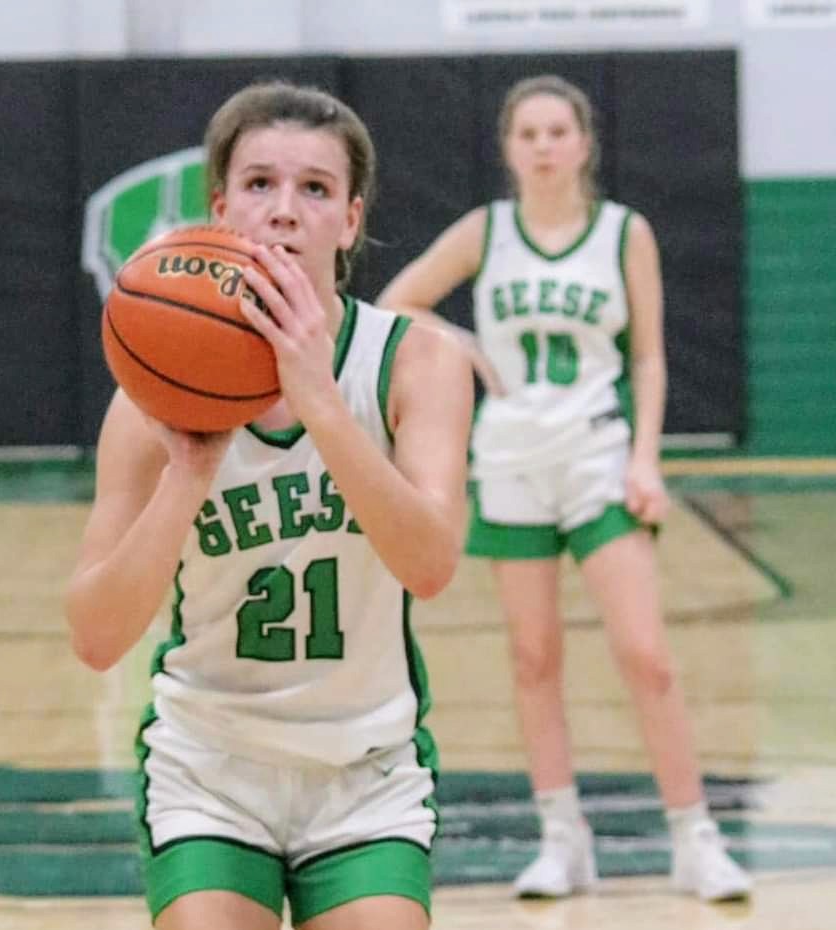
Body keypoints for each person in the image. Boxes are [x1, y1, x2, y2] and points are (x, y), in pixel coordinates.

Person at [65, 81, 473, 930]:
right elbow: (97, 637)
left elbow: (431, 566)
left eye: (315, 188)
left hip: (365, 767)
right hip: (211, 767)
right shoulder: (149, 396)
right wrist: (187, 473)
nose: (285, 209)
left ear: (350, 221)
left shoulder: (416, 363)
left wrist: (321, 405)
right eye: (260, 184)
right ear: (220, 210)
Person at [377, 74, 751, 903]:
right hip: (511, 459)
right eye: (528, 134)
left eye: (557, 132)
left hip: (597, 453)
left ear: (584, 143)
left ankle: (696, 838)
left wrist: (645, 459)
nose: (544, 146)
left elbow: (648, 356)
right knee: (533, 657)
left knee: (646, 655)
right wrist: (468, 348)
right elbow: (399, 304)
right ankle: (562, 839)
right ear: (508, 149)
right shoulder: (487, 230)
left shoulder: (623, 233)